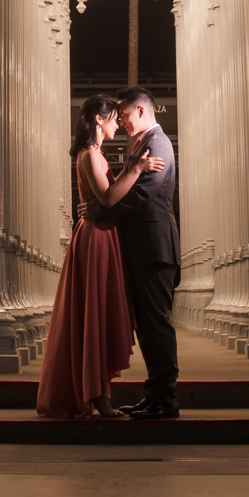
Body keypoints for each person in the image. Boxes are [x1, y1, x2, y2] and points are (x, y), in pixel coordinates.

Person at [35, 94, 164, 419]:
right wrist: (136, 169)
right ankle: (99, 400)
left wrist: (134, 170)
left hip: (102, 237)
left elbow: (108, 192)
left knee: (99, 315)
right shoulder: (89, 154)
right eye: (113, 118)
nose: (117, 124)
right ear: (98, 120)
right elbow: (107, 198)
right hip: (96, 239)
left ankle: (100, 396)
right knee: (96, 314)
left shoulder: (95, 154)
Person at [100, 86, 180, 419]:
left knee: (156, 324)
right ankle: (156, 395)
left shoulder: (157, 143)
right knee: (147, 325)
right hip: (145, 247)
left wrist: (102, 213)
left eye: (125, 114)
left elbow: (144, 196)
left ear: (143, 111)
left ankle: (165, 399)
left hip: (154, 247)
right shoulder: (144, 145)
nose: (121, 120)